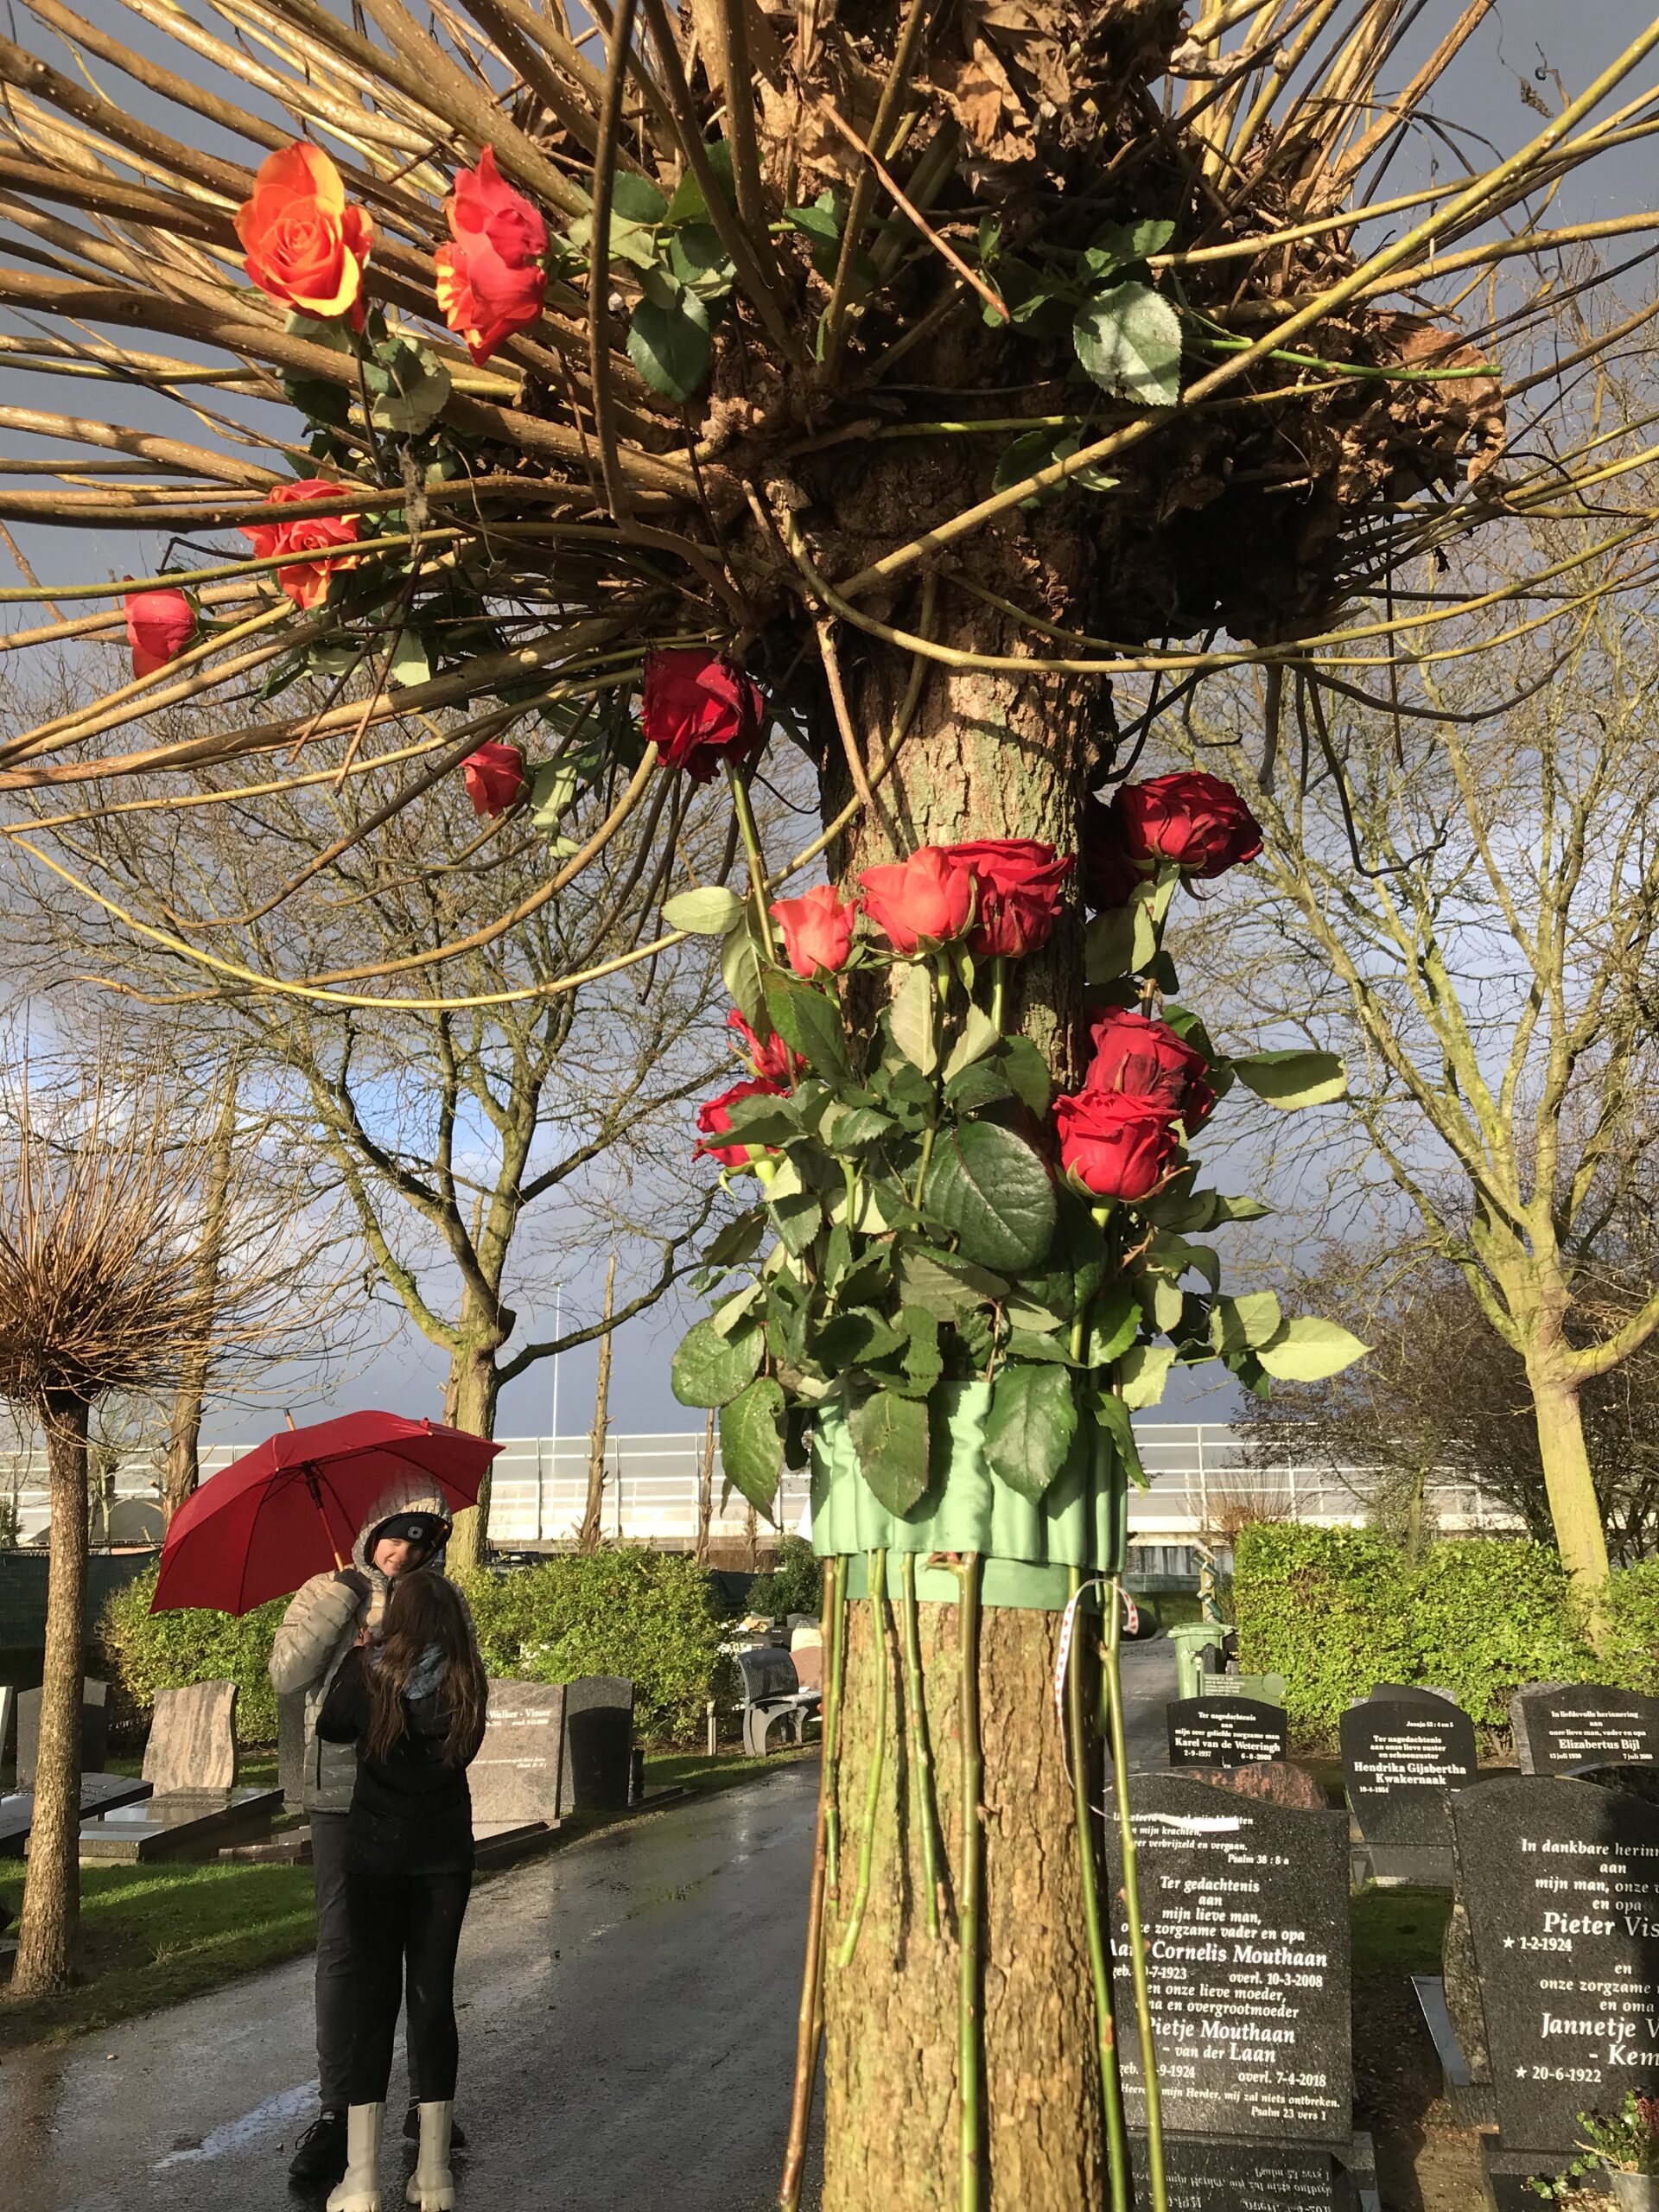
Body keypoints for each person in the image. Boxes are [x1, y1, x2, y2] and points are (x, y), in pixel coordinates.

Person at [270, 1478, 470, 2188]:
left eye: (420, 1542)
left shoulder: (442, 1600)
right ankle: (338, 2112)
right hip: (340, 1795)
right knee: (344, 1953)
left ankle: (424, 2105)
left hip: (417, 1799)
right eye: (394, 1535)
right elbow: (288, 1676)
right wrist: (340, 1605)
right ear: (372, 1531)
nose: (402, 1552)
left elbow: (463, 1690)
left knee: (424, 1966)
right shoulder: (325, 1589)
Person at [317, 1568, 487, 2212]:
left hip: (375, 1856)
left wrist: (358, 1655)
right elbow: (465, 1752)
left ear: (400, 1618)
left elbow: (331, 1728)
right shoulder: (467, 1681)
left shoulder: (371, 1674)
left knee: (373, 2003)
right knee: (432, 1999)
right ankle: (434, 2173)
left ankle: (361, 2179)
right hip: (443, 1855)